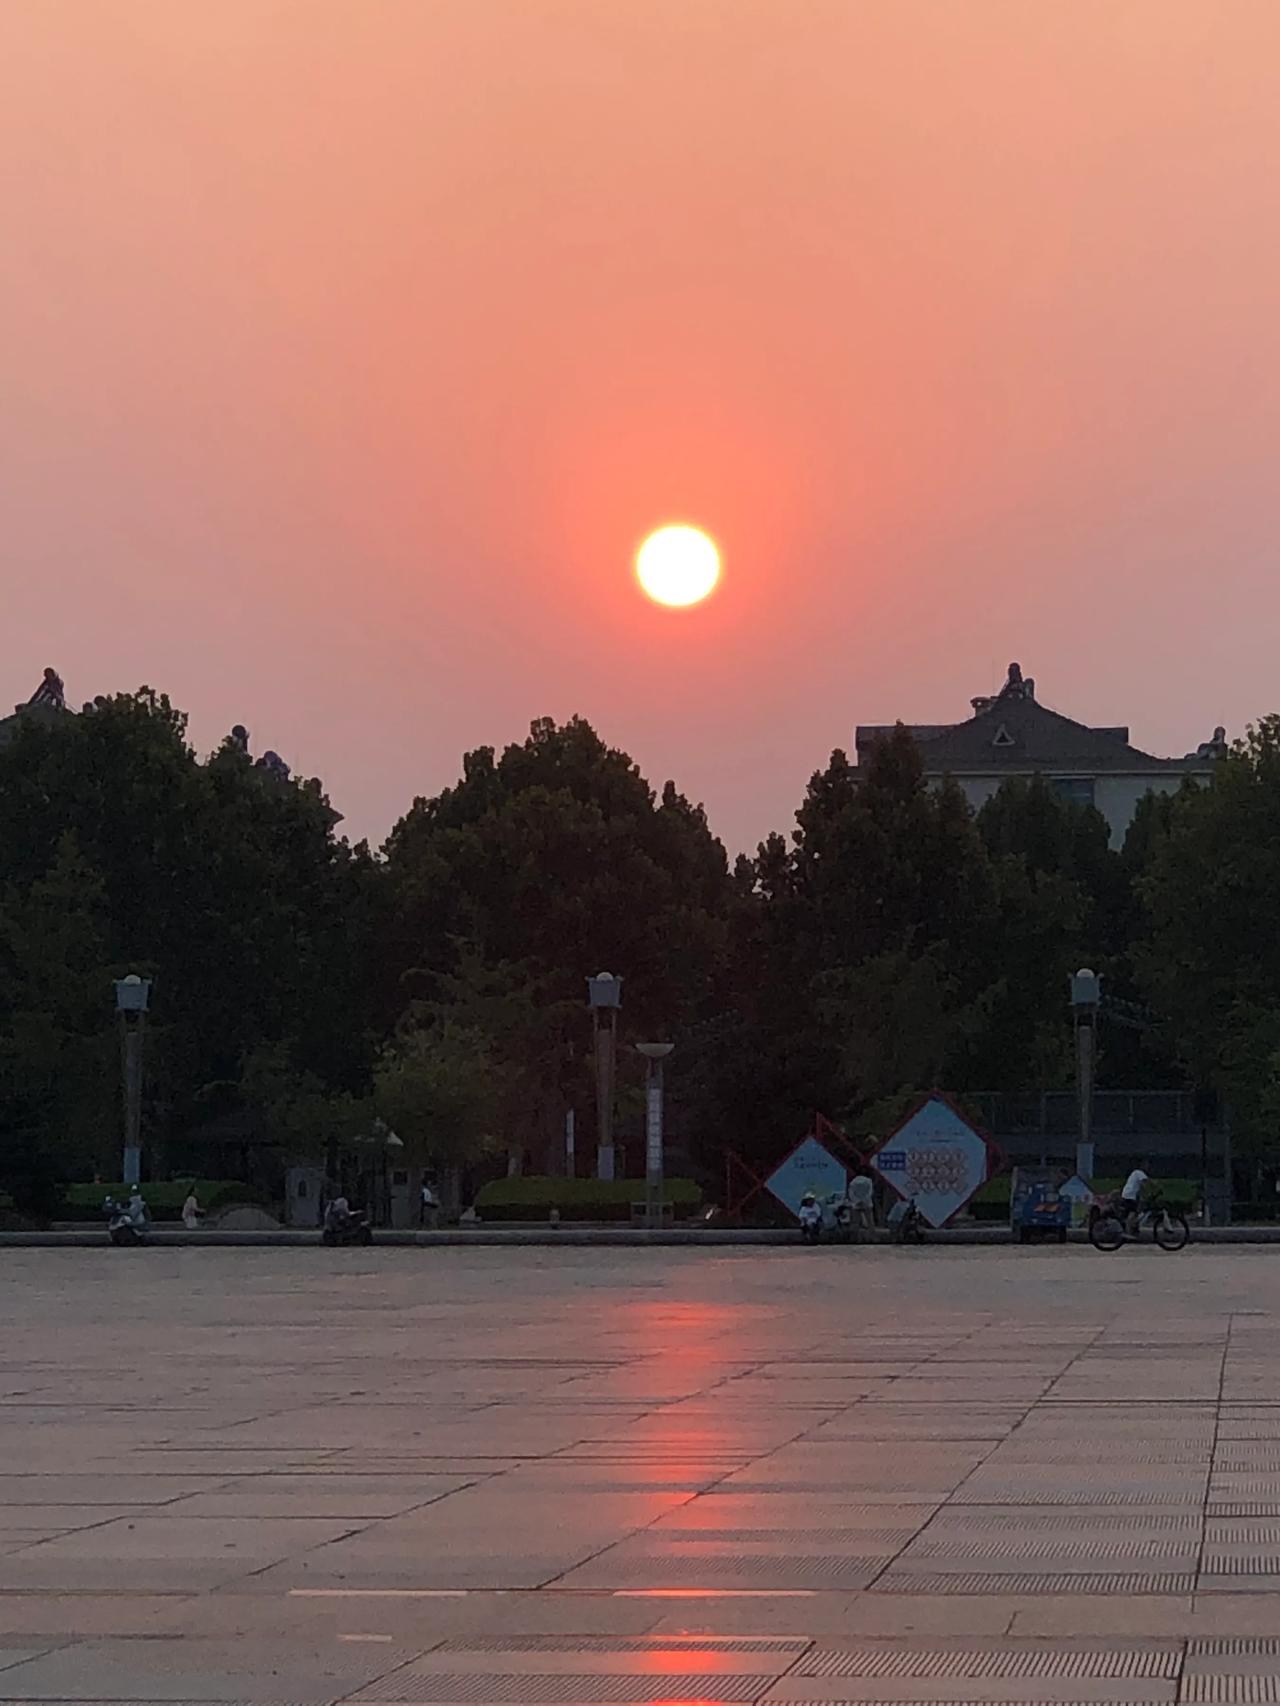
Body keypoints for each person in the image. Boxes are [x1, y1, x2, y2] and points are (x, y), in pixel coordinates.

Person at [1120, 1161, 1150, 1233]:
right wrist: (1148, 1193)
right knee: (1133, 1212)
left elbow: (1148, 1183)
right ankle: (1128, 1230)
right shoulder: (1140, 1173)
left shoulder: (1136, 1173)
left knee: (1137, 1210)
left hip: (1128, 1194)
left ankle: (1134, 1227)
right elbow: (1144, 1185)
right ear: (1142, 1166)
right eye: (1147, 1165)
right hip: (1130, 1195)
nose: (1148, 1167)